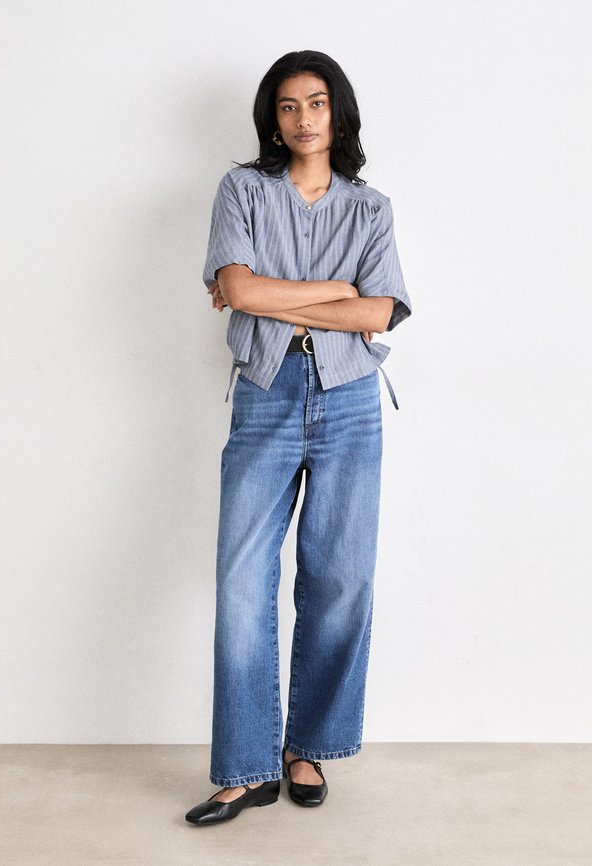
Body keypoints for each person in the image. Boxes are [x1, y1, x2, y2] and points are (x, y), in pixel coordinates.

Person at [185, 49, 412, 827]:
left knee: (340, 579)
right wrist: (336, 292)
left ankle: (307, 746)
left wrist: (272, 298)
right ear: (273, 119)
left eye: (316, 102)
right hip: (265, 391)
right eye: (287, 105)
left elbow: (381, 312)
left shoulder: (370, 209)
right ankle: (246, 768)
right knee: (242, 582)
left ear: (337, 113)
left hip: (350, 398)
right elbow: (235, 285)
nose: (303, 118)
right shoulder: (243, 191)